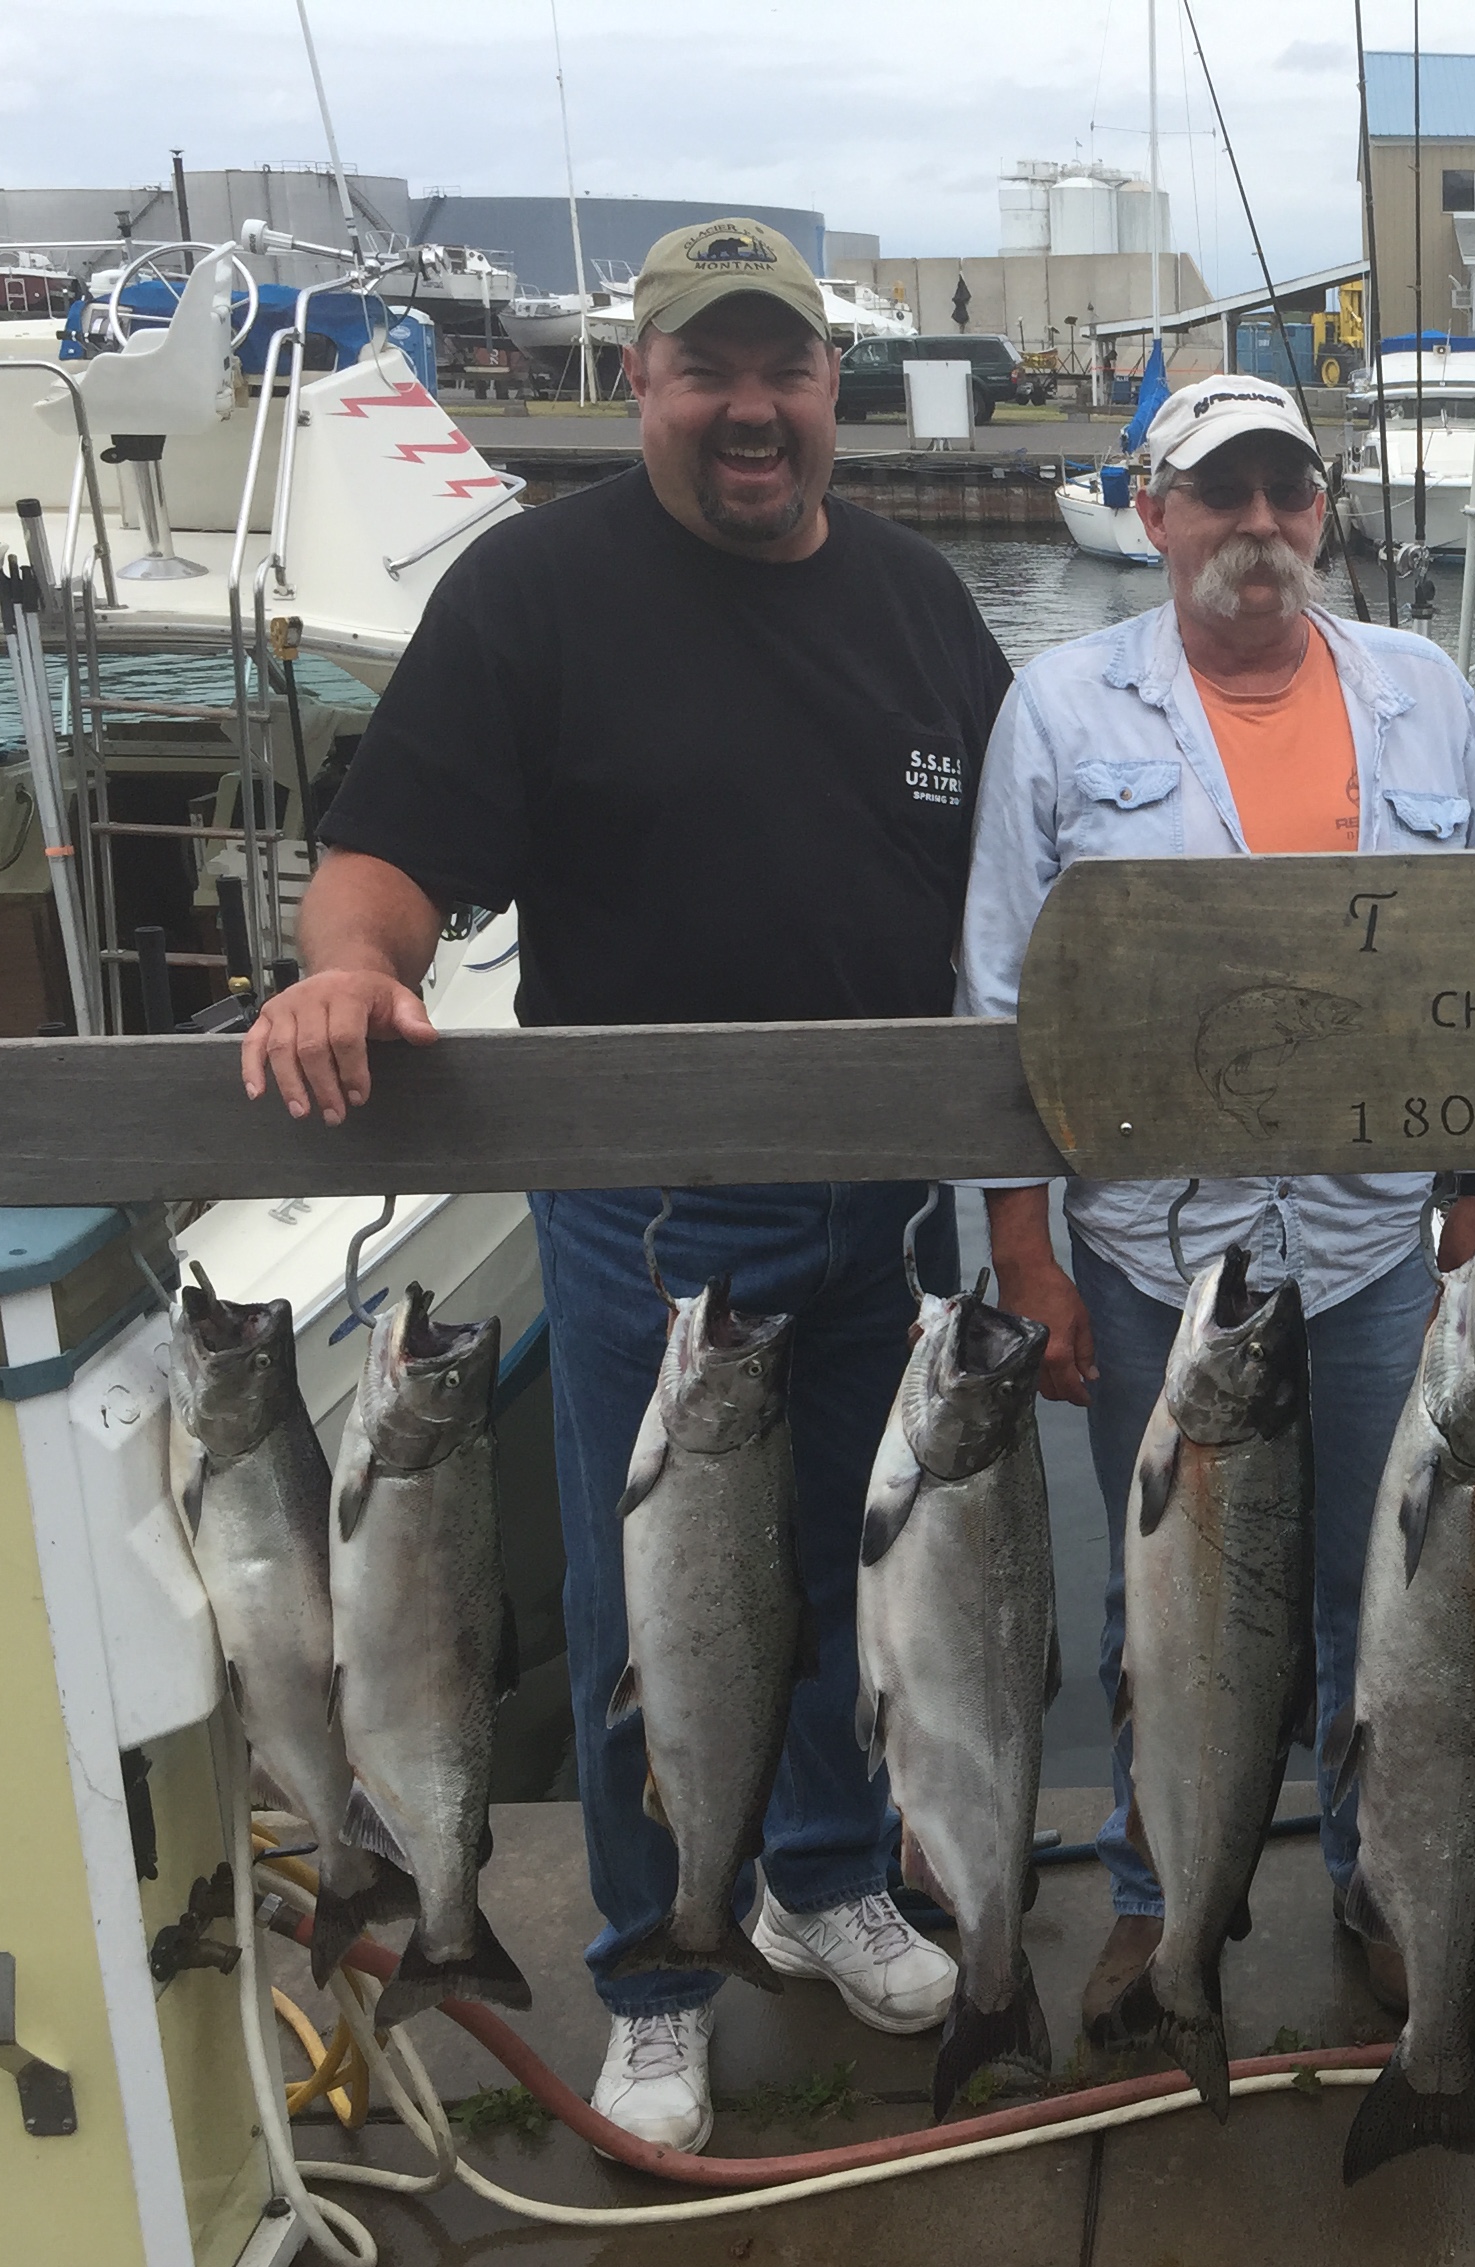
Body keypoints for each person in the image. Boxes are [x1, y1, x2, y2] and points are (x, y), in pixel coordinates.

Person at [239, 219, 1017, 2150]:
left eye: (786, 372)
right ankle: (657, 1970)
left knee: (861, 1577)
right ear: (641, 387)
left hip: (886, 1203)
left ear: (831, 394)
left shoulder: (927, 605)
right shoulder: (537, 593)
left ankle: (824, 1874)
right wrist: (353, 965)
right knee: (642, 1601)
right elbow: (387, 855)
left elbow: (1030, 899)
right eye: (707, 372)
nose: (752, 411)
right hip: (656, 1220)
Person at [961, 372, 1475, 2039]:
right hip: (1150, 1257)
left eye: (1287, 494)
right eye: (1221, 495)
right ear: (1156, 512)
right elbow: (1001, 998)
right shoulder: (1058, 711)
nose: (1256, 527)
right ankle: (1155, 1900)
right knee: (1168, 1601)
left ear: (1321, 515)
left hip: (1372, 1248)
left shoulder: (1429, 695)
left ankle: (1379, 1876)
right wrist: (1023, 1252)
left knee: (1388, 1593)